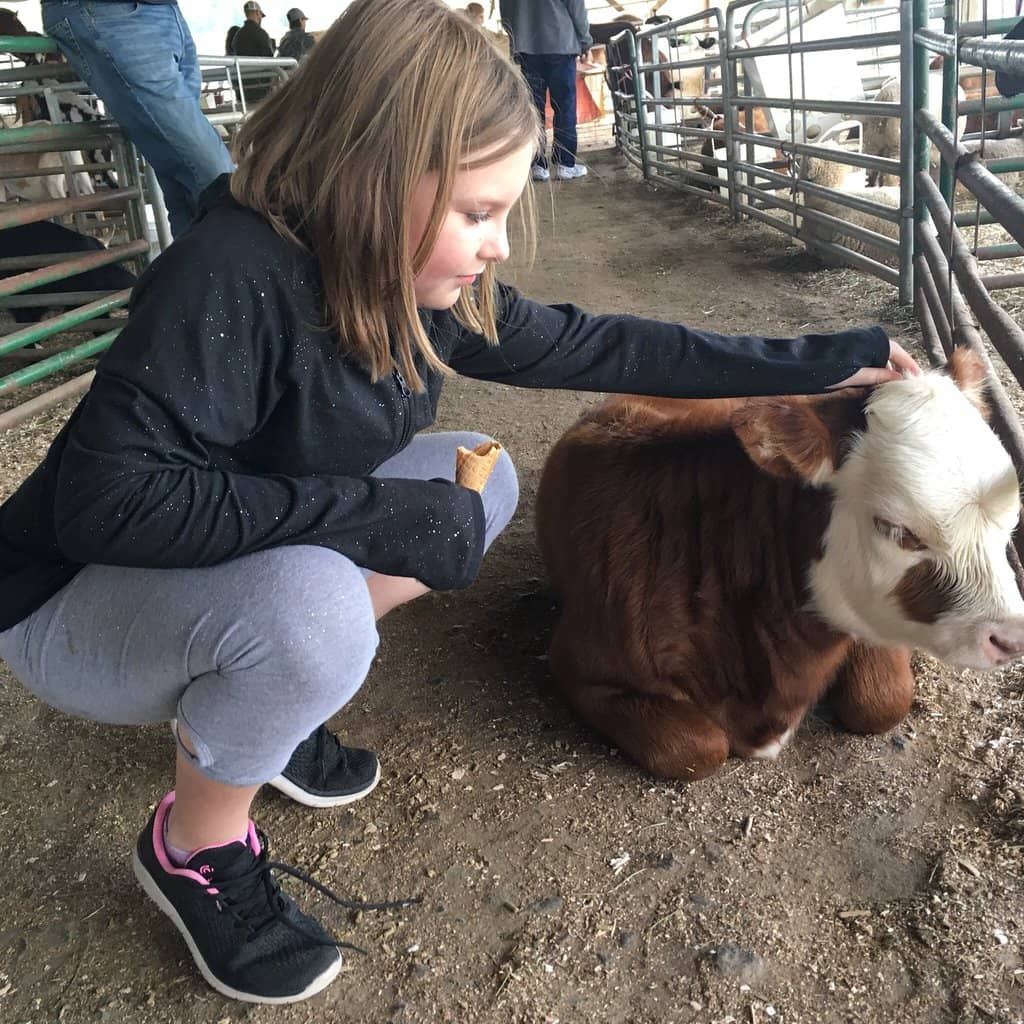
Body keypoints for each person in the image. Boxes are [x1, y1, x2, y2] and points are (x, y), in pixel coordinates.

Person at [0, 0, 919, 1006]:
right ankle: (193, 843)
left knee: (480, 471)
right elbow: (104, 502)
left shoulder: (399, 278)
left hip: (196, 560)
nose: (495, 246)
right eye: (476, 213)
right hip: (70, 604)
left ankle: (259, 709)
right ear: (372, 174)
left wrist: (822, 361)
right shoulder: (229, 274)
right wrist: (368, 517)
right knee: (313, 609)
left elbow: (604, 343)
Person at [39, 0, 235, 238]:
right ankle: (250, 272)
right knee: (217, 180)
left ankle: (203, 272)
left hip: (164, 11)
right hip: (109, 13)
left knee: (186, 184)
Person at [499, 0, 593, 181]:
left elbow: (505, 16)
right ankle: (565, 164)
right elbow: (576, 8)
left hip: (526, 47)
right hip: (560, 44)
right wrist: (585, 40)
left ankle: (537, 165)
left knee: (533, 108)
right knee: (564, 106)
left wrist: (520, 32)